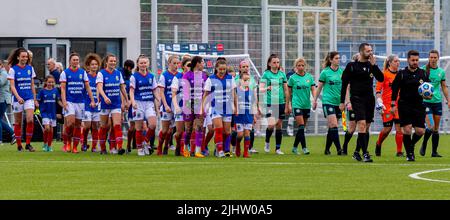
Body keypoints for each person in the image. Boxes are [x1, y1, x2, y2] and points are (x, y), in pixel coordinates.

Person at [340, 43, 384, 162]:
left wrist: (374, 65)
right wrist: (342, 102)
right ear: (361, 52)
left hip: (369, 99)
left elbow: (381, 79)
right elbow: (344, 85)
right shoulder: (351, 66)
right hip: (357, 99)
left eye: (371, 50)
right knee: (362, 124)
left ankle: (356, 152)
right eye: (368, 51)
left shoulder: (371, 65)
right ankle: (365, 154)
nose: (371, 53)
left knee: (366, 127)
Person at [391, 50, 430, 162]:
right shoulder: (402, 74)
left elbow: (428, 89)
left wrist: (428, 96)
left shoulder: (423, 73)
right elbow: (395, 89)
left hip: (419, 105)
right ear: (408, 60)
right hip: (405, 105)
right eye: (413, 60)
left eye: (417, 60)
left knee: (420, 131)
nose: (415, 62)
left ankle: (410, 146)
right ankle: (409, 154)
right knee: (407, 130)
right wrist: (393, 104)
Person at [60, 53, 96, 153]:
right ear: (70, 61)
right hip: (69, 101)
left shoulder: (83, 73)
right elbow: (62, 88)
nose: (75, 61)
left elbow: (88, 87)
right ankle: (67, 142)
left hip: (80, 102)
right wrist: (64, 101)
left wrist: (92, 100)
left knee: (78, 124)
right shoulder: (65, 73)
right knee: (70, 123)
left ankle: (75, 147)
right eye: (73, 60)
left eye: (77, 60)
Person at [203, 59, 237, 158]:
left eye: (224, 69)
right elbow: (206, 94)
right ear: (216, 68)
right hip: (215, 107)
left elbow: (234, 94)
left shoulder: (230, 78)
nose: (222, 71)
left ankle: (226, 150)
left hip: (227, 107)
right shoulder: (211, 79)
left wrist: (235, 107)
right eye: (220, 69)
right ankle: (220, 151)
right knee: (218, 129)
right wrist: (203, 107)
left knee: (227, 132)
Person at [97, 54, 129, 155]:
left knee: (117, 125)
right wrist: (105, 97)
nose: (113, 63)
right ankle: (102, 148)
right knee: (104, 126)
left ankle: (119, 147)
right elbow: (99, 88)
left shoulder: (118, 74)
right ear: (106, 62)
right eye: (111, 61)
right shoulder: (101, 73)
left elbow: (122, 88)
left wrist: (126, 100)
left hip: (116, 103)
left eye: (115, 61)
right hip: (105, 104)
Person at [7, 48, 38, 152]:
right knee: (18, 122)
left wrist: (34, 98)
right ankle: (19, 145)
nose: (25, 58)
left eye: (26, 56)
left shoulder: (30, 68)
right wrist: (18, 97)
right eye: (23, 56)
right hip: (17, 99)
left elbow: (32, 85)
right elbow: (12, 86)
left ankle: (28, 144)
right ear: (18, 57)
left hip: (28, 97)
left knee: (30, 119)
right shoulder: (13, 69)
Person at [313, 51, 343, 156]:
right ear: (331, 60)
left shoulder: (341, 72)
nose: (338, 60)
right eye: (336, 58)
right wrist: (315, 100)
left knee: (332, 127)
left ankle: (327, 149)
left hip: (338, 103)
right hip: (328, 101)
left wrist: (344, 101)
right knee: (334, 124)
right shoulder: (325, 72)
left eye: (339, 58)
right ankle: (340, 149)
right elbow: (319, 87)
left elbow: (345, 88)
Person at [420, 50, 449, 158]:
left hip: (437, 102)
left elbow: (444, 87)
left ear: (438, 58)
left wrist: (448, 100)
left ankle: (434, 152)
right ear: (428, 58)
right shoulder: (423, 70)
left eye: (435, 57)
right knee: (431, 126)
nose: (433, 59)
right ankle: (424, 144)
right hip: (426, 102)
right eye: (431, 57)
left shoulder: (441, 72)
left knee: (436, 129)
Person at [259, 54, 290, 155]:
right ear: (269, 63)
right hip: (270, 103)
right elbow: (260, 88)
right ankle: (267, 142)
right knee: (271, 125)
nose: (276, 64)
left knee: (279, 125)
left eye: (277, 62)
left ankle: (277, 148)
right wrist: (267, 88)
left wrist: (287, 104)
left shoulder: (282, 74)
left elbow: (286, 90)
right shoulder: (266, 74)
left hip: (281, 102)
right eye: (274, 62)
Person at [374, 54, 404, 157]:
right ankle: (378, 143)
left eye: (398, 61)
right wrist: (379, 101)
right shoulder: (384, 75)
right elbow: (378, 90)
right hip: (387, 105)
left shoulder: (401, 74)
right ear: (390, 63)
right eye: (395, 61)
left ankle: (399, 151)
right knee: (387, 129)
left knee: (399, 129)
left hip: (399, 105)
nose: (398, 63)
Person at [130, 55, 159, 156]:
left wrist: (158, 98)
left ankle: (145, 142)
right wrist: (133, 102)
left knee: (153, 124)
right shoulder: (134, 76)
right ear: (138, 64)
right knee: (138, 127)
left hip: (149, 103)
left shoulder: (151, 76)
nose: (143, 64)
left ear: (148, 63)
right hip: (138, 103)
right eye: (141, 63)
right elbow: (132, 91)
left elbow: (154, 89)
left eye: (145, 62)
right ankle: (139, 149)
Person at [181, 56, 208, 158]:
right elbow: (185, 91)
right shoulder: (187, 75)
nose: (203, 64)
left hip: (200, 104)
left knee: (199, 127)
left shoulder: (204, 76)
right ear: (197, 63)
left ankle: (197, 151)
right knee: (188, 129)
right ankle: (185, 148)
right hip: (189, 104)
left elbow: (206, 91)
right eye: (202, 62)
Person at [288, 57, 316, 155]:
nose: (301, 67)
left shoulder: (309, 77)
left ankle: (295, 147)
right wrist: (288, 105)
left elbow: (313, 89)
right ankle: (304, 148)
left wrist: (315, 100)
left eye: (302, 65)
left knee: (302, 128)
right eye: (299, 65)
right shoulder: (292, 78)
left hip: (306, 105)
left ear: (305, 66)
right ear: (295, 66)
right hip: (297, 104)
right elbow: (289, 93)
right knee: (301, 126)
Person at [157, 55, 181, 156]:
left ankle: (168, 146)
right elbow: (161, 92)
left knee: (173, 130)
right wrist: (165, 105)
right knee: (165, 130)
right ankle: (159, 147)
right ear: (169, 64)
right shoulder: (164, 75)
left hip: (177, 106)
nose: (176, 65)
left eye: (177, 63)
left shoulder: (180, 75)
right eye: (174, 63)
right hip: (167, 105)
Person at [234, 71, 258, 158]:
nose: (246, 82)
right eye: (244, 80)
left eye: (248, 80)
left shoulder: (251, 92)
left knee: (247, 133)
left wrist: (254, 116)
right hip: (239, 116)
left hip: (248, 115)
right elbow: (233, 101)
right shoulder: (236, 90)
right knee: (240, 134)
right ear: (240, 80)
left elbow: (253, 104)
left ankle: (246, 152)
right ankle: (237, 145)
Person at [81, 53, 102, 153]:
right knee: (87, 125)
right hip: (87, 105)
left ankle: (94, 146)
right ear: (88, 66)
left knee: (95, 126)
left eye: (96, 64)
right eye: (92, 64)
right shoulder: (85, 77)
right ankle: (84, 142)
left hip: (97, 105)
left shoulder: (100, 76)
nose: (94, 66)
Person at [172, 57, 191, 157]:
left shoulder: (193, 77)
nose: (190, 67)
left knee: (187, 130)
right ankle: (178, 146)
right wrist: (176, 106)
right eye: (188, 65)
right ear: (183, 66)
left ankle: (185, 149)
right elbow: (174, 93)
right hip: (179, 106)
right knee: (179, 132)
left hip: (189, 107)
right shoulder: (177, 78)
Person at [37, 75, 62, 152]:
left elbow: (58, 101)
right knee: (47, 128)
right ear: (45, 82)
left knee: (51, 130)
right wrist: (37, 105)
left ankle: (49, 145)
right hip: (44, 113)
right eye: (49, 82)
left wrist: (64, 106)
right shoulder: (42, 91)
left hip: (53, 113)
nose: (50, 83)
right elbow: (38, 101)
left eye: (52, 82)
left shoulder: (55, 91)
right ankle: (45, 143)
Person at [342, 53, 360, 155]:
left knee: (364, 127)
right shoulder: (351, 71)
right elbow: (347, 88)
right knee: (352, 128)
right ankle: (345, 146)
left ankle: (359, 150)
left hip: (363, 103)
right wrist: (348, 102)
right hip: (353, 103)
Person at [0, 61, 15, 145]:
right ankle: (13, 134)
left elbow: (0, 82)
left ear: (1, 65)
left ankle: (1, 139)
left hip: (3, 99)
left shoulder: (4, 73)